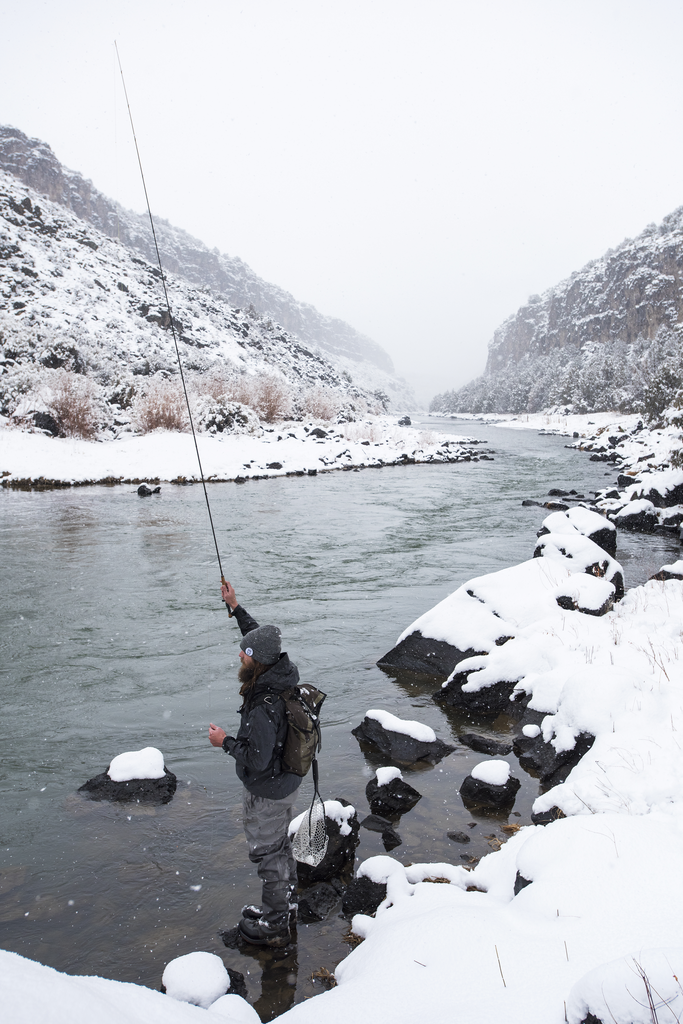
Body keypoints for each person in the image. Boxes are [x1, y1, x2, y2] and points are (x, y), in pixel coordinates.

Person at [208, 580, 300, 948]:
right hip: (286, 781)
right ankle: (286, 905)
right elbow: (257, 639)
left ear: (256, 662)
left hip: (268, 790)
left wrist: (224, 742)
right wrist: (235, 607)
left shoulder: (264, 705)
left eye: (244, 655)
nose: (240, 658)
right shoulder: (280, 670)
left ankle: (276, 922)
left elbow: (257, 759)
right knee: (279, 847)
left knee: (267, 854)